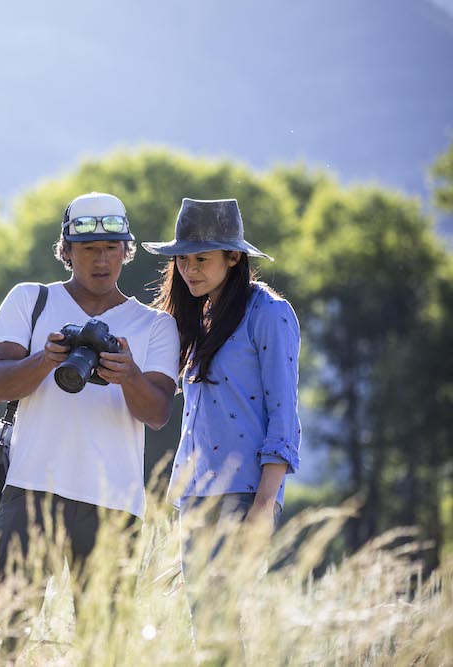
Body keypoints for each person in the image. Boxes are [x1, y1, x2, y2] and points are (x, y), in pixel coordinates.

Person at [0, 192, 180, 664]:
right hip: (30, 492)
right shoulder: (30, 299)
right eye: (88, 249)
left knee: (103, 649)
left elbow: (158, 413)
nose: (101, 260)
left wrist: (128, 375)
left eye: (111, 248)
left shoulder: (156, 326)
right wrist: (47, 358)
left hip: (114, 507)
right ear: (66, 250)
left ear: (127, 250)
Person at [141, 198, 302, 660]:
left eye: (202, 258)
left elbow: (284, 418)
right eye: (183, 258)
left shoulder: (269, 313)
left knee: (217, 620)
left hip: (243, 495)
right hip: (193, 495)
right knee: (205, 624)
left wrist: (264, 510)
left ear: (234, 257)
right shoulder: (197, 317)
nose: (189, 269)